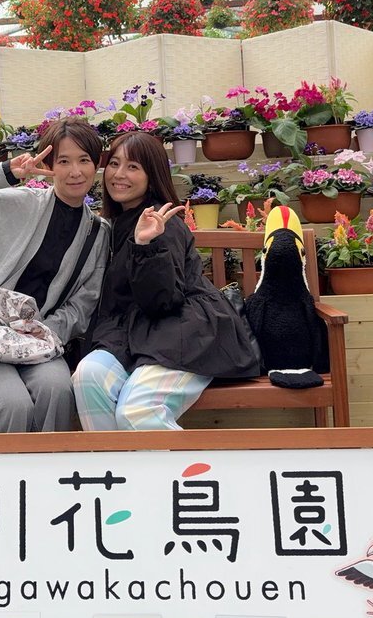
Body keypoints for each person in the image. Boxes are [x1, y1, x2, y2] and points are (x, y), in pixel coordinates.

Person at [73, 131, 261, 430]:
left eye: (133, 167)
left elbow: (162, 301)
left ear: (152, 176)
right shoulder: (116, 224)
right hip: (136, 334)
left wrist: (145, 247)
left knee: (137, 412)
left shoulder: (160, 224)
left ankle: (187, 464)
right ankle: (116, 460)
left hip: (184, 333)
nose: (119, 174)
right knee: (88, 376)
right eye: (114, 164)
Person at [0, 117, 109, 433]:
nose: (75, 171)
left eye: (84, 160)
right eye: (64, 161)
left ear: (96, 164)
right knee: (11, 403)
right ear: (49, 166)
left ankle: (49, 465)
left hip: (37, 342)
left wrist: (45, 331)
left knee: (57, 389)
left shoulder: (97, 232)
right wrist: (3, 174)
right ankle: (3, 467)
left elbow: (85, 302)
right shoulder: (16, 205)